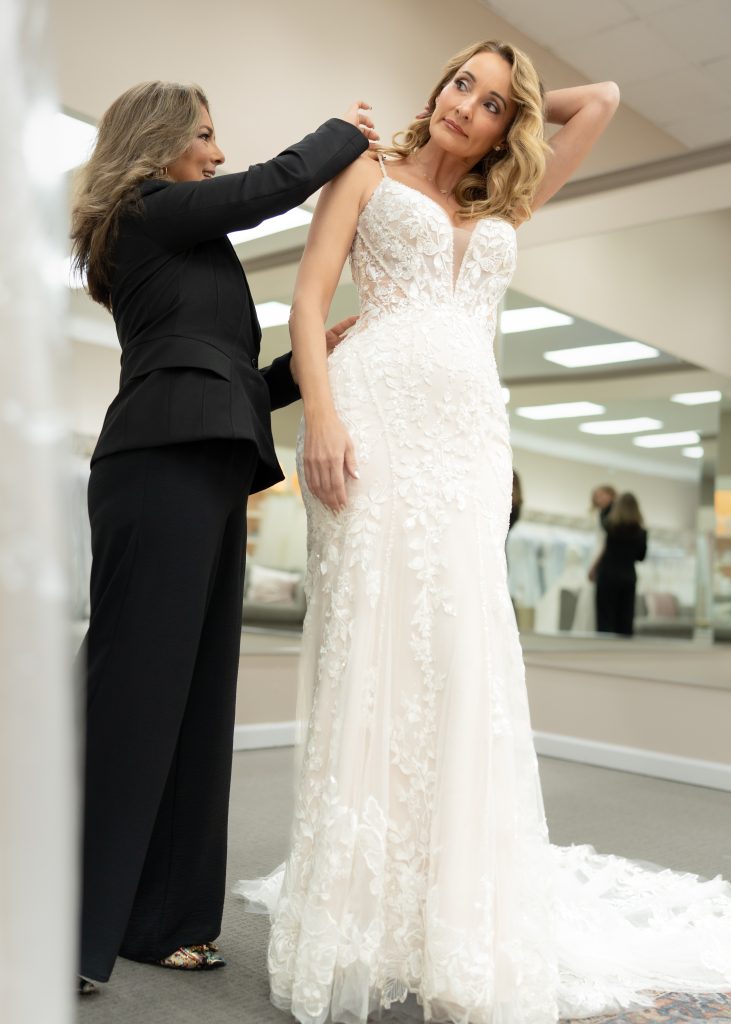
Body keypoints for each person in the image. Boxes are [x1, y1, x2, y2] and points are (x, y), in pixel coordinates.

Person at [237, 40, 731, 1024]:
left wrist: (525, 102)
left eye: (493, 101)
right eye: (460, 81)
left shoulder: (503, 204)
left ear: (512, 124)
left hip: (468, 449)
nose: (466, 103)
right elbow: (304, 299)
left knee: (463, 664)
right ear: (436, 86)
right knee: (372, 654)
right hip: (373, 422)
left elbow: (604, 97)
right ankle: (360, 920)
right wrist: (320, 420)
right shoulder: (365, 169)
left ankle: (447, 913)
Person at [70, 80, 377, 991]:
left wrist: (311, 361)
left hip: (205, 461)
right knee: (132, 698)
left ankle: (161, 918)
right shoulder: (144, 212)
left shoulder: (187, 251)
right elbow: (265, 188)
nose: (215, 151)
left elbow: (223, 374)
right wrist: (343, 135)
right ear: (157, 141)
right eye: (203, 135)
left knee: (196, 700)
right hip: (158, 463)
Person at [595, 491, 647, 636]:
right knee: (625, 620)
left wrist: (611, 502)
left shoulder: (611, 527)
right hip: (628, 577)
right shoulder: (640, 532)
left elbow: (602, 515)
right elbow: (641, 557)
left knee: (605, 619)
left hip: (608, 575)